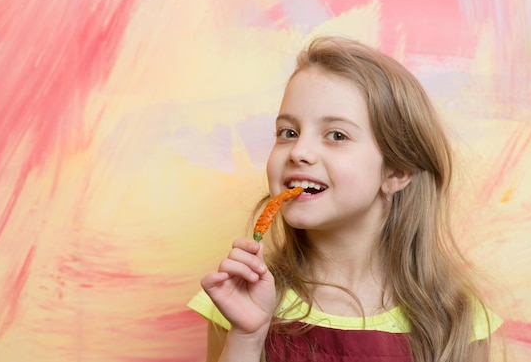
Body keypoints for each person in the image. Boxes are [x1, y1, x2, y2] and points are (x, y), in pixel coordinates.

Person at [188, 36, 503, 362]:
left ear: (395, 171)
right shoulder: (242, 299)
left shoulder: (455, 319)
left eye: (336, 135)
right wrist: (247, 337)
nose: (299, 151)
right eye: (288, 132)